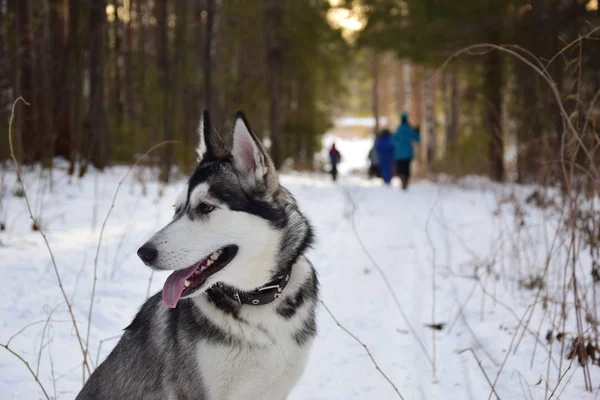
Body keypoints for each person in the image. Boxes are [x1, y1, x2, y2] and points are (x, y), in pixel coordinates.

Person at [392, 112, 420, 190]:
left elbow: (392, 140)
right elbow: (417, 139)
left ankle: (402, 179)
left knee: (400, 169)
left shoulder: (398, 129)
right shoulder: (410, 129)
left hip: (399, 154)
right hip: (408, 153)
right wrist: (417, 132)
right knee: (407, 168)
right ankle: (405, 181)